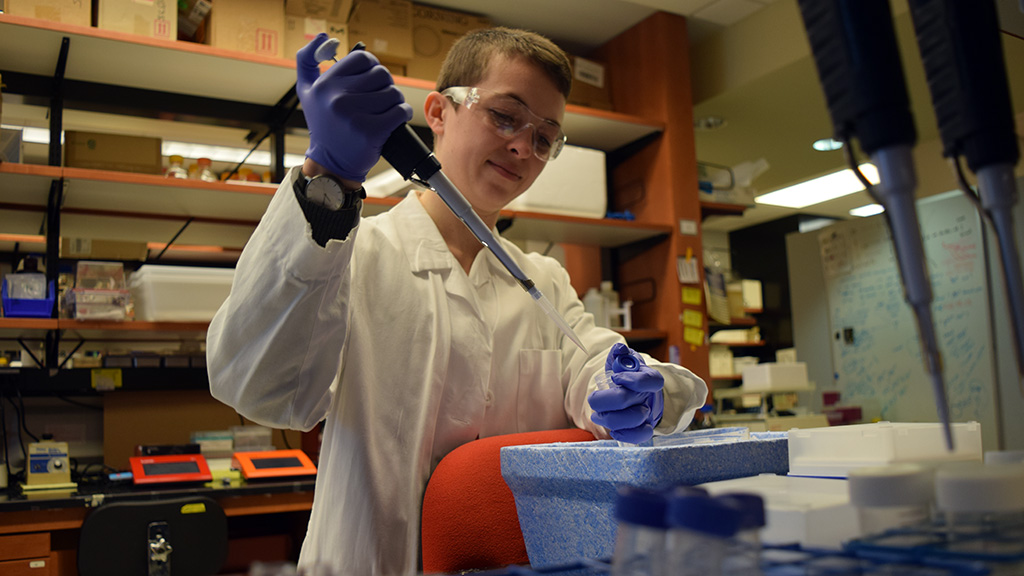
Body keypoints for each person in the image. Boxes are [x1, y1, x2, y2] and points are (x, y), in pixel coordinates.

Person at [207, 27, 707, 576]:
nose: (523, 147)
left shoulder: (543, 277)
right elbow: (262, 390)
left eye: (545, 138)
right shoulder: (354, 252)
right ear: (439, 113)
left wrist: (635, 392)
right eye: (505, 116)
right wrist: (326, 179)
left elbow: (592, 361)